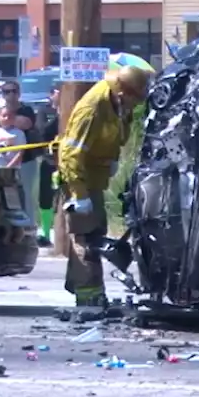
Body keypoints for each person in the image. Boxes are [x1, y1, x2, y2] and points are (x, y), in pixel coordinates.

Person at [57, 66, 151, 314]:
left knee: (94, 234)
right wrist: (79, 195)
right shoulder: (92, 109)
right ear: (123, 93)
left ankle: (83, 289)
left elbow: (119, 134)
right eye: (135, 98)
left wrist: (112, 159)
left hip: (95, 178)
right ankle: (89, 300)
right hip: (78, 179)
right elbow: (69, 154)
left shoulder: (119, 106)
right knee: (86, 239)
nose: (136, 104)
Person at [0, 80, 39, 224]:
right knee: (4, 195)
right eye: (6, 92)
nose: (10, 95)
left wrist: (5, 119)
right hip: (1, 162)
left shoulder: (26, 110)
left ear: (19, 93)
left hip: (25, 160)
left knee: (26, 194)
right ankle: (9, 226)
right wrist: (8, 120)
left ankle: (30, 226)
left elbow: (27, 123)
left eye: (14, 91)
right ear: (2, 94)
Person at [37, 86, 61, 246]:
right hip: (48, 159)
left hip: (65, 159)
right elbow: (42, 131)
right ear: (51, 95)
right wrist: (58, 116)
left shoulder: (73, 109)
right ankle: (45, 232)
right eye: (58, 92)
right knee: (45, 195)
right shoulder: (44, 111)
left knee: (62, 196)